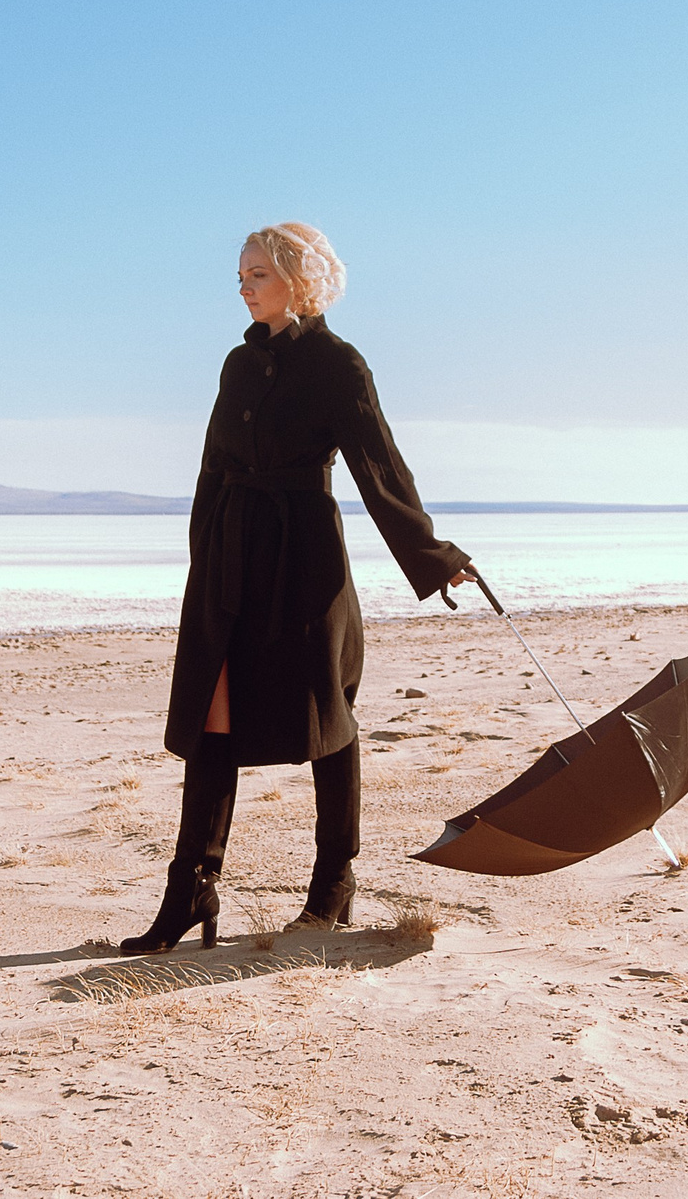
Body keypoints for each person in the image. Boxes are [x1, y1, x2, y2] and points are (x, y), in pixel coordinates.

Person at [121, 222, 477, 953]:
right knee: (211, 717)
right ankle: (190, 890)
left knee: (328, 717)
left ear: (300, 279)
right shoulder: (237, 364)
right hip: (231, 556)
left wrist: (433, 557)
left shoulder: (339, 364)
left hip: (304, 558)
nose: (243, 286)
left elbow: (381, 471)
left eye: (258, 273)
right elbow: (212, 467)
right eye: (241, 275)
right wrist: (203, 559)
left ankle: (332, 884)